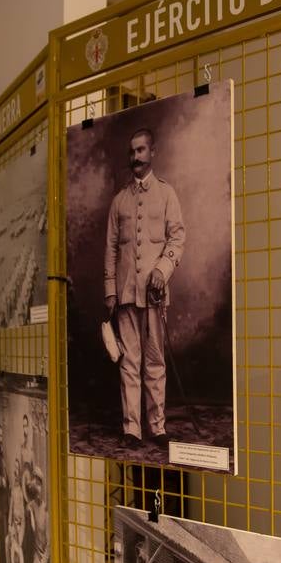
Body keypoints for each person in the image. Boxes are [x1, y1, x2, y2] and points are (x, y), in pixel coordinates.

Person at [103, 127, 186, 447]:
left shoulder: (167, 194)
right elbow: (111, 248)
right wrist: (110, 290)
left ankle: (157, 426)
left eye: (141, 150)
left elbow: (177, 239)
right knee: (129, 362)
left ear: (153, 152)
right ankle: (132, 429)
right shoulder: (118, 201)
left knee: (154, 362)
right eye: (132, 152)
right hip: (125, 295)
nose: (135, 157)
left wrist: (162, 271)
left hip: (154, 294)